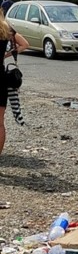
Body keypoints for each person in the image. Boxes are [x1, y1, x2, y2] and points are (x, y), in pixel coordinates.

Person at [0, 11, 29, 155]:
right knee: (0, 123)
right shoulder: (6, 29)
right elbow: (24, 44)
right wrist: (6, 54)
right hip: (1, 77)